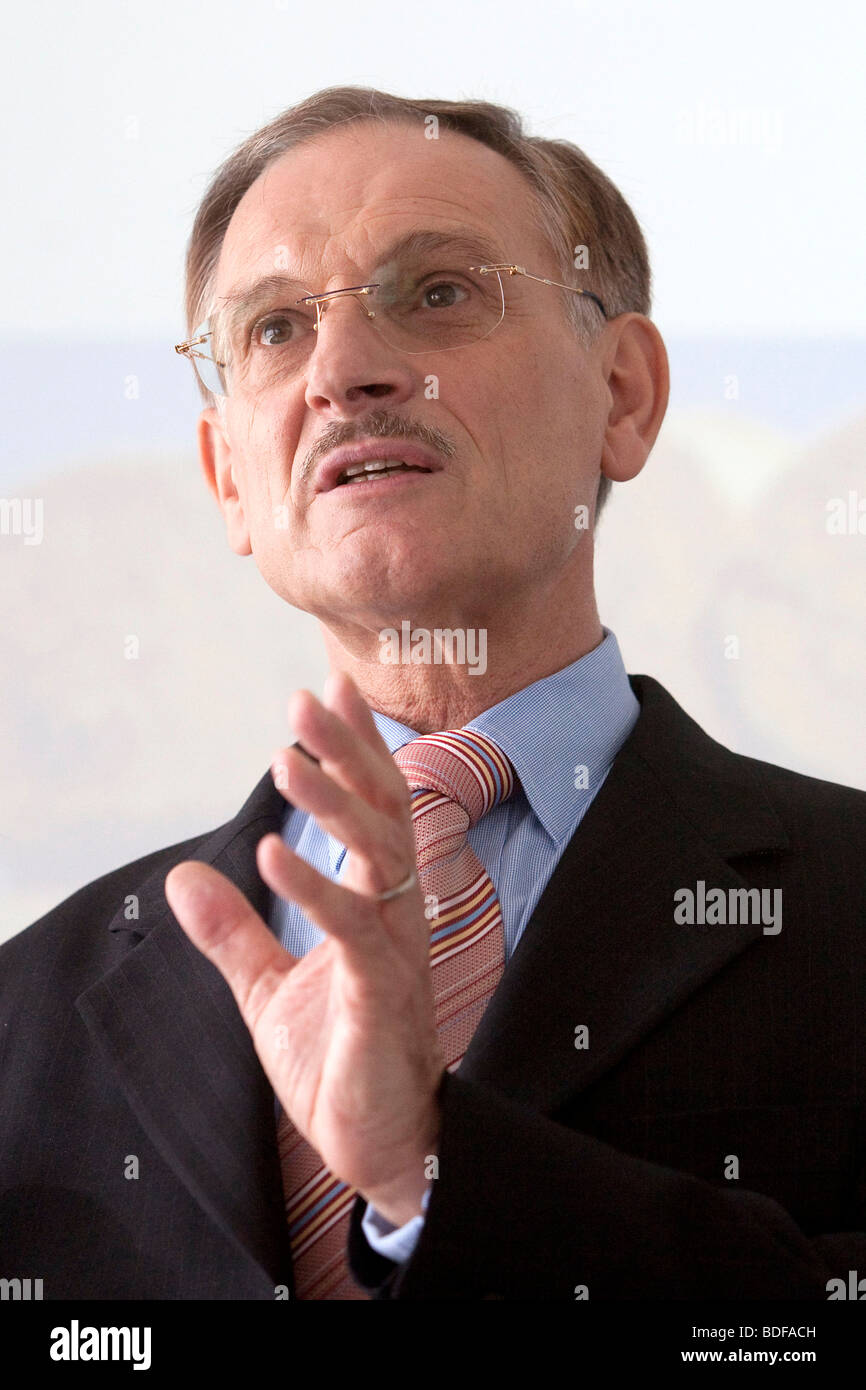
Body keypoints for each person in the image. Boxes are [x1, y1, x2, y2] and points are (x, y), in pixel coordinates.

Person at [1, 85, 864, 1302]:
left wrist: (433, 1172)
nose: (343, 372)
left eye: (439, 293)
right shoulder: (27, 1012)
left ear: (620, 394)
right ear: (227, 481)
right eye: (272, 331)